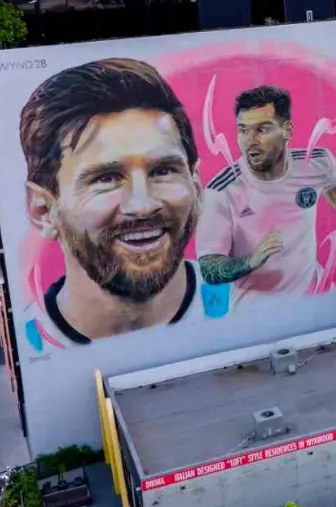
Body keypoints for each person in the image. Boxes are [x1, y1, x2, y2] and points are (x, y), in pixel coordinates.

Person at [20, 58, 207, 343]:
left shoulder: (251, 307)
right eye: (106, 178)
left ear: (196, 185)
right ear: (43, 211)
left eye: (163, 171)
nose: (142, 205)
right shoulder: (29, 345)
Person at [195, 85, 336, 305]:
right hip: (256, 313)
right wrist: (250, 261)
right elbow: (209, 268)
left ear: (287, 130)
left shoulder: (315, 163)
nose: (250, 140)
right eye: (243, 130)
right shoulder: (221, 191)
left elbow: (335, 186)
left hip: (314, 296)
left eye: (262, 129)